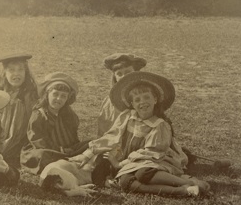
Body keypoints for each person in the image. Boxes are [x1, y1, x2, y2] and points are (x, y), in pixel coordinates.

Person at [66, 71, 209, 197]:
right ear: (132, 104)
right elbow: (112, 136)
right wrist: (88, 153)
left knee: (143, 173)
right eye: (137, 100)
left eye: (147, 97)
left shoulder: (160, 125)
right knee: (126, 182)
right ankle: (184, 191)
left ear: (155, 99)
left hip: (154, 160)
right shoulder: (127, 116)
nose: (142, 103)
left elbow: (151, 152)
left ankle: (186, 181)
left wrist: (120, 163)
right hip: (131, 162)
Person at [20, 72, 90, 175]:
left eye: (63, 96)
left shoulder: (69, 115)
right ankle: (68, 160)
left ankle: (69, 158)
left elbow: (73, 135)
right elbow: (38, 140)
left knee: (91, 143)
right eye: (55, 94)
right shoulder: (39, 114)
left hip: (68, 148)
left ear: (67, 99)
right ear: (47, 94)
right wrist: (60, 149)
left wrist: (72, 148)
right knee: (42, 155)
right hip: (48, 149)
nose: (58, 99)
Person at [0, 53, 39, 169]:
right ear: (4, 74)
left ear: (26, 73)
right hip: (1, 137)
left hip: (21, 141)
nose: (16, 74)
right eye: (11, 70)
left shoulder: (31, 94)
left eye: (20, 70)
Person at [97, 53, 147, 137]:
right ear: (115, 78)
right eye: (119, 74)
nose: (124, 77)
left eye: (128, 72)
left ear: (136, 74)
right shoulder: (109, 102)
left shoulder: (145, 97)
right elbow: (103, 131)